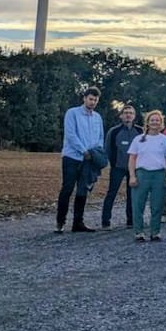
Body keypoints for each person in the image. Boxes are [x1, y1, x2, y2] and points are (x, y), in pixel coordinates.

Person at [57, 87, 105, 233]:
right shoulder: (72, 113)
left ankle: (78, 222)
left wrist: (96, 152)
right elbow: (71, 135)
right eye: (90, 99)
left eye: (95, 100)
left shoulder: (97, 117)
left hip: (89, 159)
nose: (93, 102)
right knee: (67, 188)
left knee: (83, 189)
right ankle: (60, 222)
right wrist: (83, 151)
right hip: (72, 157)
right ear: (84, 98)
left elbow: (100, 137)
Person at [127, 110, 166, 242]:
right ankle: (139, 232)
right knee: (138, 204)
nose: (155, 122)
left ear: (161, 123)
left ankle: (155, 232)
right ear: (147, 122)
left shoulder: (165, 140)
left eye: (157, 120)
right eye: (152, 120)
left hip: (159, 174)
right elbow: (132, 158)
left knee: (157, 205)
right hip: (142, 173)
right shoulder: (138, 139)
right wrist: (132, 176)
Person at [101, 104, 141, 230]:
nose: (128, 115)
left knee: (132, 193)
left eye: (131, 113)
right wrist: (112, 162)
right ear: (121, 116)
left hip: (134, 168)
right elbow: (108, 148)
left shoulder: (140, 131)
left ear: (134, 116)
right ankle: (106, 221)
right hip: (117, 167)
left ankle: (131, 220)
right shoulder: (114, 131)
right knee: (112, 192)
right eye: (126, 113)